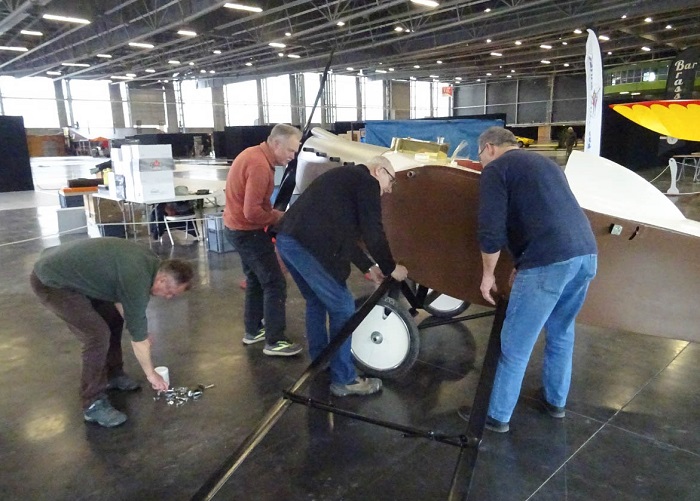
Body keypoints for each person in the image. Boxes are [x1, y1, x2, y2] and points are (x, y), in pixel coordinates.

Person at [473, 127, 597, 433]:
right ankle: (555, 403)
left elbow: (490, 230)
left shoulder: (497, 169)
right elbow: (542, 213)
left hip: (549, 260)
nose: (480, 163)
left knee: (515, 344)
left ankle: (496, 417)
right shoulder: (546, 164)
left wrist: (488, 275)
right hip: (586, 254)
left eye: (478, 157)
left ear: (489, 148)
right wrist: (522, 260)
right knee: (561, 332)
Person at [274, 156, 408, 397]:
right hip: (307, 246)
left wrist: (368, 266)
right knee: (343, 307)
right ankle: (344, 379)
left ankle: (322, 359)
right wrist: (390, 267)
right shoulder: (366, 182)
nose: (389, 189)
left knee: (317, 301)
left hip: (288, 240)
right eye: (391, 180)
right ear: (379, 170)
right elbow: (373, 231)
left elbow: (343, 233)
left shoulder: (344, 179)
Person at [30, 237, 195, 428]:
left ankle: (112, 373)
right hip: (53, 282)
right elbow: (138, 337)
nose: (168, 298)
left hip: (76, 276)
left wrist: (138, 330)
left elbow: (122, 298)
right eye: (170, 292)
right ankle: (92, 403)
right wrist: (151, 375)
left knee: (114, 319)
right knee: (97, 336)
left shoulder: (151, 264)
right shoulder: (137, 277)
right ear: (162, 279)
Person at [223, 123, 303, 357]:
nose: (292, 156)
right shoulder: (259, 165)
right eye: (290, 150)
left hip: (236, 228)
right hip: (248, 232)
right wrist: (278, 216)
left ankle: (253, 330)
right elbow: (252, 212)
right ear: (276, 143)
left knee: (256, 279)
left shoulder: (252, 155)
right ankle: (275, 340)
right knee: (274, 283)